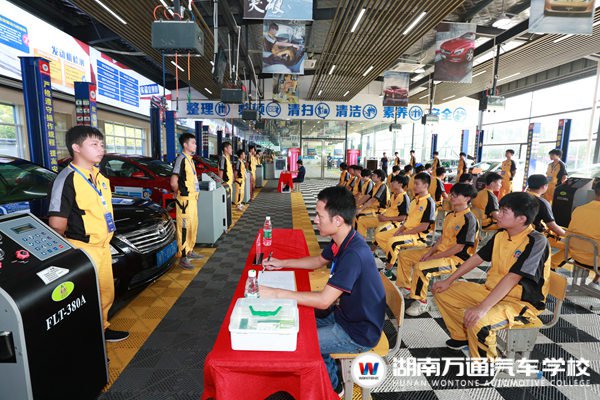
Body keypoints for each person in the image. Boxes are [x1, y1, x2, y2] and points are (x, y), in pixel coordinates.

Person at [260, 186, 386, 396]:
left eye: (319, 216)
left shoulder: (353, 254)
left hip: (358, 332)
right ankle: (328, 367)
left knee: (303, 342)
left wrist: (274, 293)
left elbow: (324, 301)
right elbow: (318, 261)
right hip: (345, 316)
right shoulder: (342, 241)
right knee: (297, 322)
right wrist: (282, 263)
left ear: (337, 220)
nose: (315, 220)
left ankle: (333, 388)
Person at [432, 192, 550, 359]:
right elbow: (477, 258)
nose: (498, 215)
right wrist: (449, 280)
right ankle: (461, 336)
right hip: (492, 291)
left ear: (521, 219)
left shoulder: (536, 241)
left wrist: (483, 308)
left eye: (504, 212)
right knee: (443, 291)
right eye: (499, 210)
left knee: (480, 323)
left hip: (521, 303)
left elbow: (513, 277)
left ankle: (486, 366)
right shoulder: (501, 234)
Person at [48, 126, 129, 342]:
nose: (101, 149)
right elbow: (56, 224)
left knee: (105, 293)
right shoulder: (67, 178)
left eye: (101, 144)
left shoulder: (99, 176)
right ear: (76, 148)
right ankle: (90, 342)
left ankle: (102, 329)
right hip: (83, 249)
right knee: (88, 297)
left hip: (102, 247)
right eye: (94, 144)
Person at [399, 184, 479, 316]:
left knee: (421, 268)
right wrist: (430, 252)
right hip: (440, 252)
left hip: (456, 259)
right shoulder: (450, 215)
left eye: (455, 195)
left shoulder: (469, 219)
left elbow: (459, 247)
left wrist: (433, 257)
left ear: (467, 198)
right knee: (405, 255)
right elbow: (442, 238)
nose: (451, 197)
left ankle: (422, 302)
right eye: (451, 194)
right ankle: (407, 288)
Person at [376, 172, 436, 280]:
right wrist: (400, 230)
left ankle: (388, 270)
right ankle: (393, 255)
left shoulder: (429, 202)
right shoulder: (414, 201)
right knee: (380, 236)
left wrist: (404, 233)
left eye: (417, 184)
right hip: (406, 230)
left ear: (425, 185)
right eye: (414, 183)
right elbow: (407, 220)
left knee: (393, 242)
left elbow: (424, 226)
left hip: (418, 236)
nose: (414, 186)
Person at [170, 133, 204, 269]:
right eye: (193, 143)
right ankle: (183, 256)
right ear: (185, 144)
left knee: (192, 226)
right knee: (184, 228)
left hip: (192, 200)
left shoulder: (190, 160)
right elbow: (173, 182)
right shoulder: (181, 159)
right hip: (184, 202)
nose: (195, 145)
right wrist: (178, 192)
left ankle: (189, 250)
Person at [560, 180, 600, 287]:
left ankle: (593, 281)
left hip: (575, 255)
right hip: (596, 261)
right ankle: (595, 282)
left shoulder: (578, 209)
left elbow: (569, 233)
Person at [357, 174, 409, 239]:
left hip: (394, 222)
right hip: (384, 218)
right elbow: (389, 209)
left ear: (400, 184)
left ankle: (376, 245)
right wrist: (382, 215)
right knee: (361, 221)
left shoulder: (404, 197)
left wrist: (386, 218)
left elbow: (403, 218)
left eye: (394, 182)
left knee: (379, 232)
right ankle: (361, 242)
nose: (391, 183)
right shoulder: (393, 195)